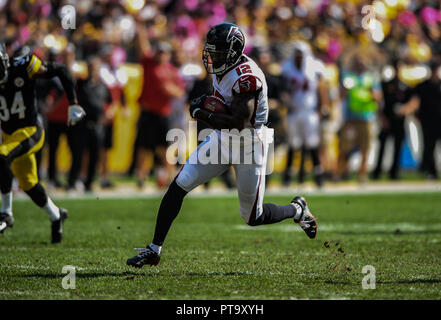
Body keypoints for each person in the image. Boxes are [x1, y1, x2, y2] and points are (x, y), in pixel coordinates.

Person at [126, 23, 317, 268]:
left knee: (252, 216)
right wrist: (207, 105)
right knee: (179, 185)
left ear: (233, 52)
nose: (212, 57)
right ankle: (154, 249)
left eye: (217, 52)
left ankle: (297, 209)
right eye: (211, 51)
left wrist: (202, 113)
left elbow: (239, 122)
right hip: (221, 138)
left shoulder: (247, 77)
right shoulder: (223, 67)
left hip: (248, 144)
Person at [0, 43, 85, 242]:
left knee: (1, 156)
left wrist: (73, 103)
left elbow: (61, 70)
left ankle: (5, 212)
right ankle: (56, 215)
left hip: (31, 131)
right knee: (28, 184)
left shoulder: (23, 67)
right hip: (9, 136)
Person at [134, 24, 185, 188]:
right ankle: (141, 178)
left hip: (163, 114)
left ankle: (169, 177)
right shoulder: (149, 63)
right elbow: (142, 45)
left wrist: (169, 90)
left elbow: (180, 92)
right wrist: (140, 26)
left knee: (165, 149)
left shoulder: (172, 71)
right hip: (148, 113)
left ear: (168, 55)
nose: (161, 55)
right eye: (159, 52)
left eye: (163, 52)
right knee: (144, 148)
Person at [281, 41, 329, 187]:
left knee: (312, 143)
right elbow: (284, 88)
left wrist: (324, 107)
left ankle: (318, 175)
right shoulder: (287, 67)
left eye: (301, 54)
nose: (298, 57)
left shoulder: (314, 67)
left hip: (310, 111)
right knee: (292, 144)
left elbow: (321, 87)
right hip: (294, 111)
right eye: (297, 54)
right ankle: (288, 176)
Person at [335, 53, 383, 183]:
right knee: (344, 147)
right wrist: (345, 89)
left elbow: (378, 97)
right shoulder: (348, 77)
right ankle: (339, 172)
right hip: (351, 118)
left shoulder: (370, 79)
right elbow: (341, 96)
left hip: (366, 117)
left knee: (365, 148)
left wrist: (371, 91)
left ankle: (362, 175)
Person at [69, 57, 113, 192]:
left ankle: (89, 183)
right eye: (91, 67)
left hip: (97, 124)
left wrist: (107, 115)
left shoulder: (102, 86)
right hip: (83, 123)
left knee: (95, 155)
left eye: (95, 67)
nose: (93, 70)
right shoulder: (81, 83)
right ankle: (73, 181)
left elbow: (111, 103)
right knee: (78, 154)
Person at [398, 60, 441, 179]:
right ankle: (431, 172)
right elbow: (415, 101)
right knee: (428, 147)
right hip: (428, 121)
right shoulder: (423, 85)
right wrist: (407, 111)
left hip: (439, 120)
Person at [372, 59, 410, 180]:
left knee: (397, 147)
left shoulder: (405, 86)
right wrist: (382, 118)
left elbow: (413, 101)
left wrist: (405, 109)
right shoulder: (385, 84)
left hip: (399, 121)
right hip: (387, 119)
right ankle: (377, 171)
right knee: (382, 146)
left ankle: (394, 172)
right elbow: (378, 101)